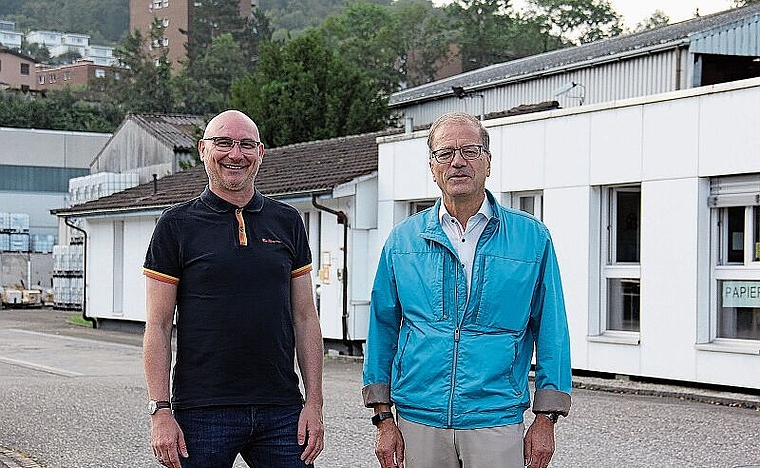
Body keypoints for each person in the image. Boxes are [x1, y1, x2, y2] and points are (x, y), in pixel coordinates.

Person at [362, 112, 571, 468]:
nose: (458, 162)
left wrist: (546, 418)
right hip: (419, 419)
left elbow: (552, 330)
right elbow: (382, 329)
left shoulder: (531, 238)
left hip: (496, 418)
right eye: (445, 153)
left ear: (488, 162)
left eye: (470, 151)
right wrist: (383, 418)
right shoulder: (403, 241)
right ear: (432, 166)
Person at [142, 109, 324, 468]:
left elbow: (305, 318)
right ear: (203, 150)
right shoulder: (176, 225)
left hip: (281, 410)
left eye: (246, 145)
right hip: (201, 411)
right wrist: (160, 411)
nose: (235, 154)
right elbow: (158, 326)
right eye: (223, 143)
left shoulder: (287, 221)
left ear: (261, 153)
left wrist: (314, 403)